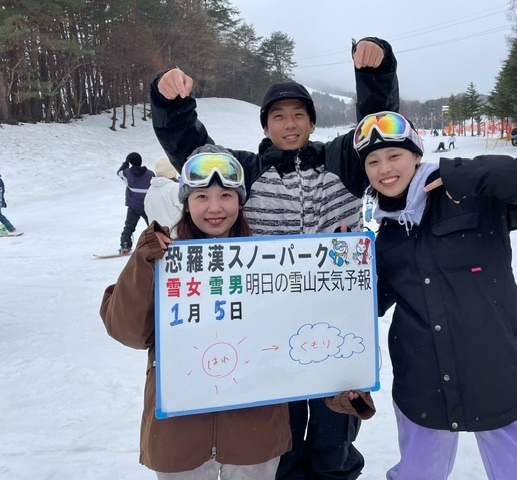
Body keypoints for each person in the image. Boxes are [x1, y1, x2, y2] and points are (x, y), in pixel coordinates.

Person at [150, 36, 398, 480]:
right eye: (278, 116)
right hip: (266, 328)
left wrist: (374, 72)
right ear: (265, 126)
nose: (289, 123)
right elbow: (193, 150)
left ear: (311, 122)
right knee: (277, 435)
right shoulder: (246, 170)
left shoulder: (343, 161)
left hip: (336, 325)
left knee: (333, 432)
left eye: (299, 114)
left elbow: (376, 124)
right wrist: (172, 104)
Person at [100, 145, 375, 479]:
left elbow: (302, 334)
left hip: (254, 438)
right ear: (186, 201)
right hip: (179, 434)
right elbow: (127, 331)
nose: (215, 208)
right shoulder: (161, 255)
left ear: (240, 200)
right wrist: (144, 263)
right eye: (201, 196)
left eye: (226, 195)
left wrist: (340, 268)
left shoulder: (270, 258)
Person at [353, 111, 517, 480]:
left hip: (500, 370)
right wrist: (341, 262)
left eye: (395, 156)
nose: (384, 168)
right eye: (373, 161)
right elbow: (366, 305)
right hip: (421, 382)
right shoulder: (385, 235)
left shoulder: (470, 196)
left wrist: (477, 173)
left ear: (416, 156)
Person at [117, 152, 155, 254]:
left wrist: (125, 163)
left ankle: (125, 246)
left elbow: (119, 173)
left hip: (133, 207)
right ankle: (155, 245)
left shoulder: (127, 173)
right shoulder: (150, 174)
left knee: (129, 227)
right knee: (152, 227)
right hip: (147, 206)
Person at [144, 155, 182, 230]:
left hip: (157, 236)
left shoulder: (151, 189)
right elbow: (188, 210)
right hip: (176, 236)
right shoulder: (174, 188)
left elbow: (147, 210)